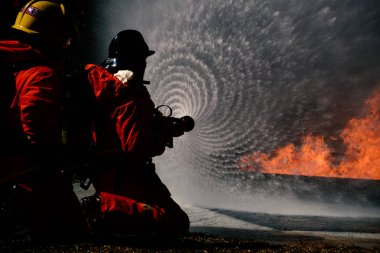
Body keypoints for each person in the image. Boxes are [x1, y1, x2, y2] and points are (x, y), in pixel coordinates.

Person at [80, 30, 190, 235]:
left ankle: (108, 209)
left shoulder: (103, 85)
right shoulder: (130, 92)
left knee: (163, 205)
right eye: (143, 60)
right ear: (137, 61)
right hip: (125, 176)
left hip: (105, 173)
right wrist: (161, 136)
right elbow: (136, 148)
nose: (145, 65)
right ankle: (101, 207)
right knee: (176, 222)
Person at [0, 0, 88, 242]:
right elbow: (34, 121)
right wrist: (56, 156)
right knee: (73, 230)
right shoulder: (41, 73)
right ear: (55, 38)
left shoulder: (11, 62)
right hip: (18, 172)